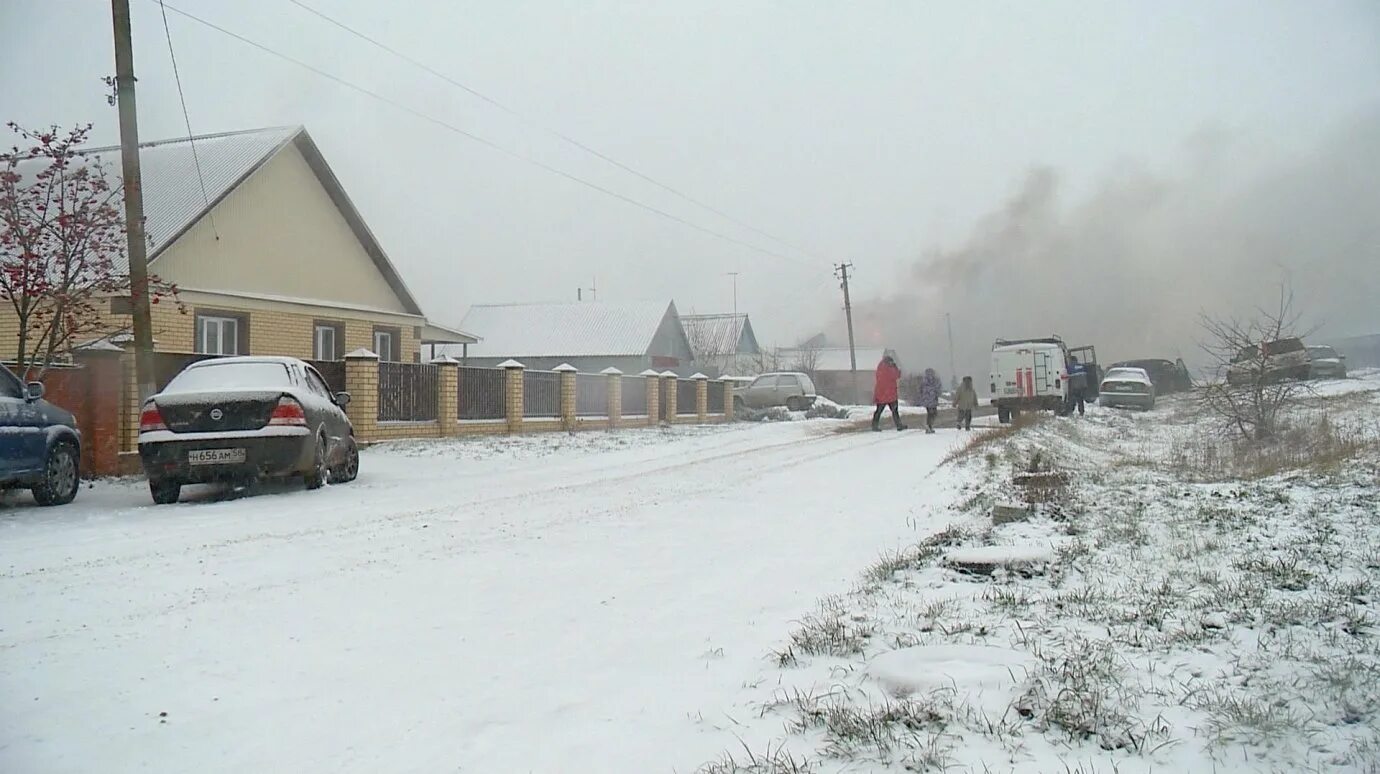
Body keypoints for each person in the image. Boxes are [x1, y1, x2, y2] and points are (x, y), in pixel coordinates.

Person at [871, 354, 905, 431]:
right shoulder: (890, 368)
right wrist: (895, 367)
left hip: (881, 393)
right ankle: (899, 425)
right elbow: (897, 375)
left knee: (878, 411)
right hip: (890, 394)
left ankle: (874, 425)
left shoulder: (880, 367)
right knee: (894, 411)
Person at [919, 367, 943, 433]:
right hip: (933, 400)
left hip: (927, 400)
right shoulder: (935, 381)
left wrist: (923, 397)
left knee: (930, 413)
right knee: (933, 413)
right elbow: (938, 390)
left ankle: (929, 425)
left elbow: (920, 390)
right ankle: (929, 425)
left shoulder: (924, 381)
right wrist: (937, 394)